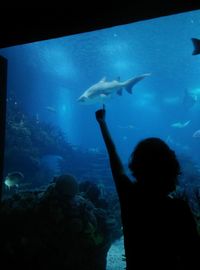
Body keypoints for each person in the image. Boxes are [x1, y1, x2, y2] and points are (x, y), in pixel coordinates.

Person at [95, 106, 199, 270]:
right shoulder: (179, 209)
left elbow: (113, 157)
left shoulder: (129, 196)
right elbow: (192, 257)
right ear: (171, 169)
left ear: (136, 167)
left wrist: (102, 123)